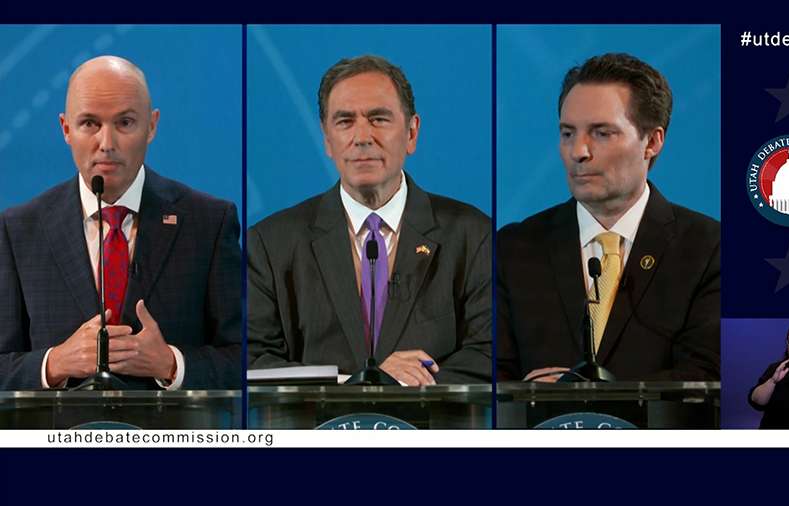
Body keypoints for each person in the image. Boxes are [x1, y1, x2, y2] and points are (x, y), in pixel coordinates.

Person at [0, 56, 241, 390]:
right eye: (89, 124)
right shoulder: (18, 230)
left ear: (152, 126)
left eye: (125, 123)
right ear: (66, 129)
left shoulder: (209, 223)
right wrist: (53, 363)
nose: (107, 144)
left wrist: (172, 364)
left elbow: (243, 358)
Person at [247, 55, 491, 385]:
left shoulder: (471, 234)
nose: (362, 137)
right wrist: (356, 382)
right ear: (327, 139)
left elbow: (488, 352)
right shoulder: (271, 243)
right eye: (345, 121)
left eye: (378, 119)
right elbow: (253, 361)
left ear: (411, 132)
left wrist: (408, 383)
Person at [496, 53, 720, 382]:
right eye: (568, 133)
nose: (578, 152)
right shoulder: (514, 248)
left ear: (652, 142)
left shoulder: (709, 249)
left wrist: (585, 395)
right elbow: (493, 375)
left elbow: (705, 376)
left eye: (602, 133)